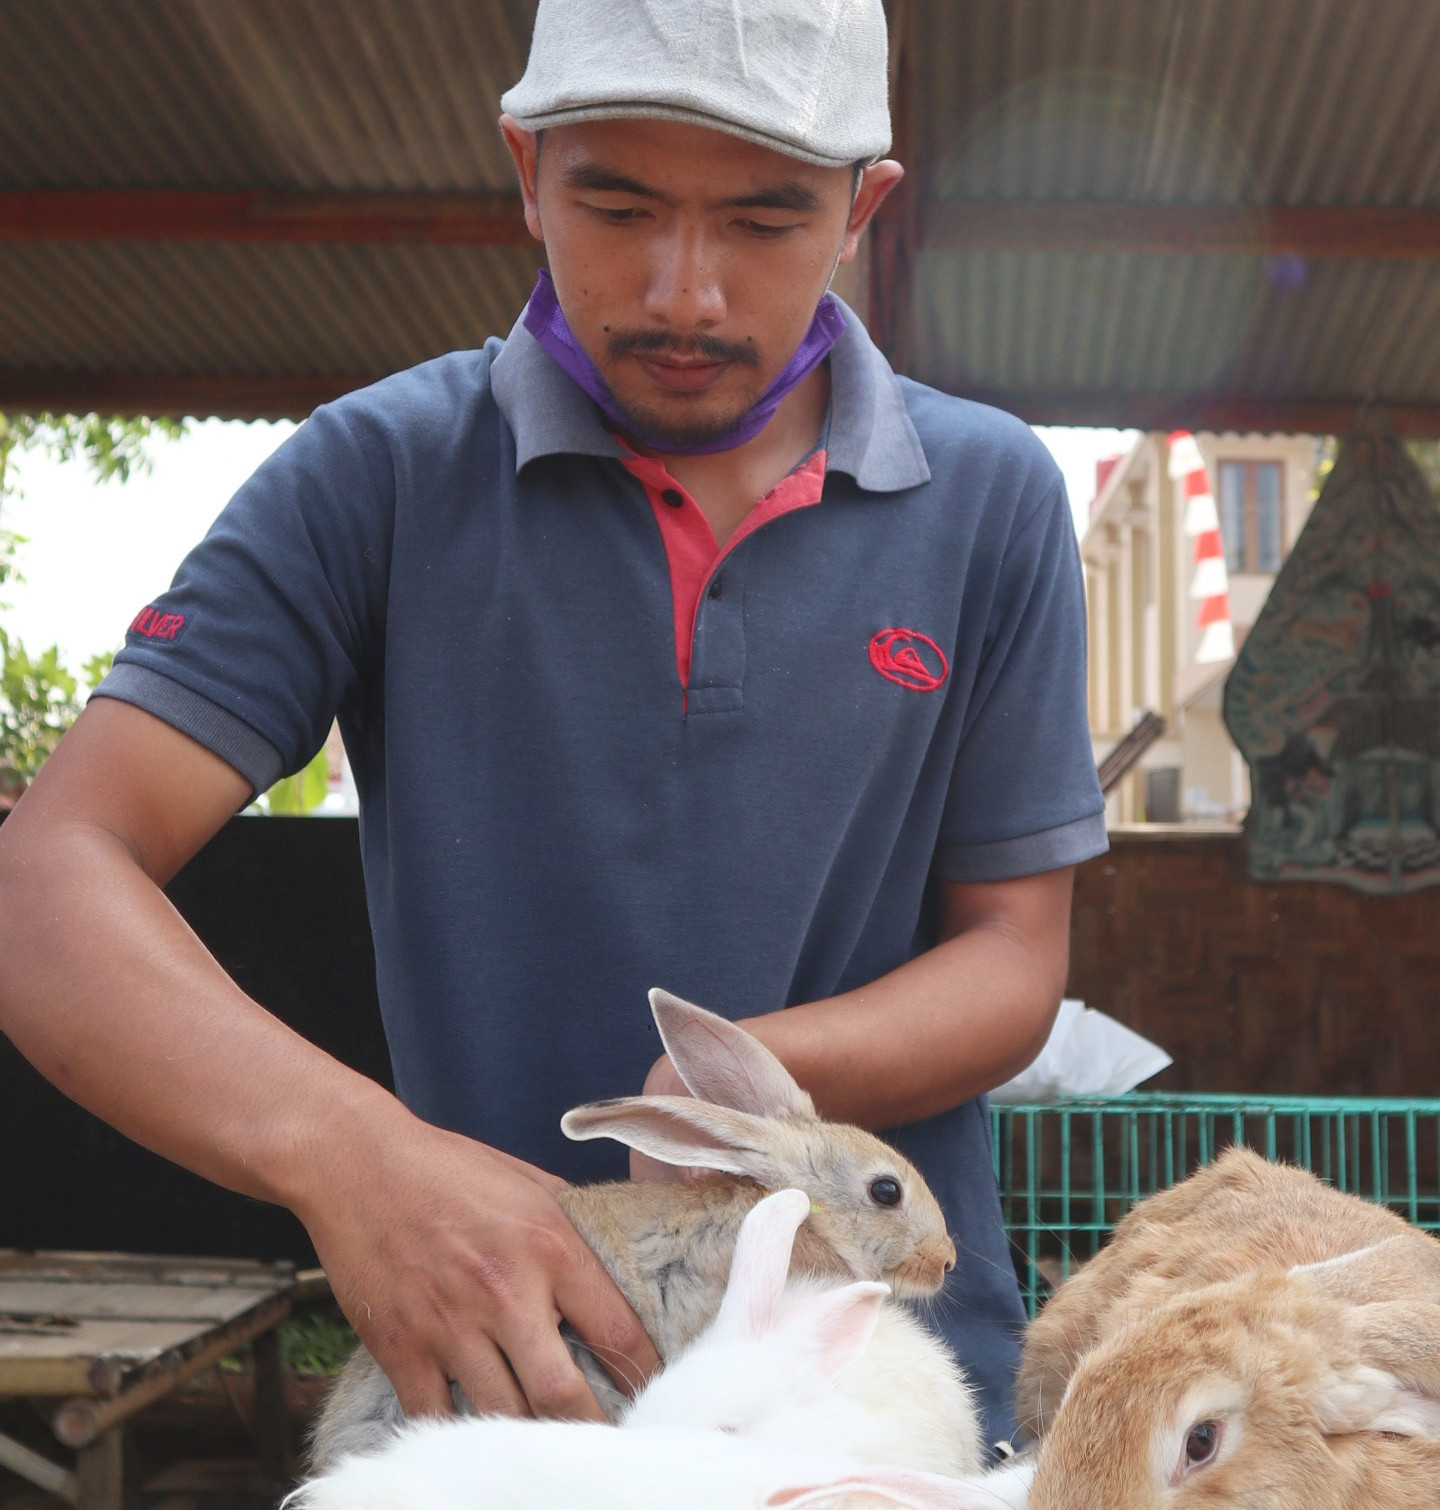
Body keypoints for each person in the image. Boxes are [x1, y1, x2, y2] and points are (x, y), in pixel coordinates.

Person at [0, 0, 1103, 1448]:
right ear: (526, 171)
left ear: (861, 209)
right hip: (508, 1381)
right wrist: (357, 1159)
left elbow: (1015, 960)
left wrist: (736, 1083)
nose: (685, 293)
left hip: (874, 1374)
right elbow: (49, 873)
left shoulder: (989, 500)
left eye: (764, 220)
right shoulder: (380, 474)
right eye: (616, 203)